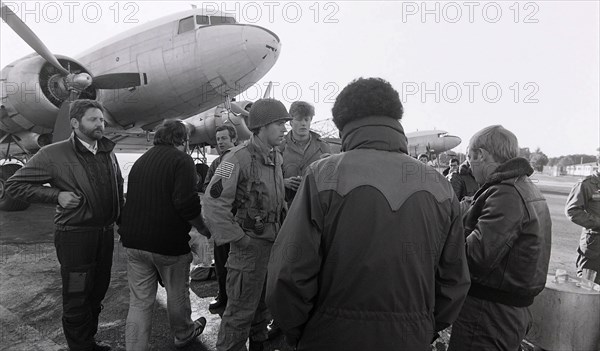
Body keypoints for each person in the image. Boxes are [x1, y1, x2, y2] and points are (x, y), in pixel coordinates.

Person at [266, 78, 471, 351]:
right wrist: (424, 328)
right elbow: (455, 279)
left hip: (327, 337)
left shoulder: (323, 175)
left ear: (343, 126)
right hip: (410, 338)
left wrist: (299, 332)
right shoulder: (440, 185)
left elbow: (288, 272)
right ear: (395, 118)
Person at [6, 99, 124, 351]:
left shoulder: (107, 151)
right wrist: (55, 196)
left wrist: (123, 224)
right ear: (75, 122)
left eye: (101, 120)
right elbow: (15, 185)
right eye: (93, 119)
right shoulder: (53, 154)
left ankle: (88, 340)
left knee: (98, 290)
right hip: (75, 236)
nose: (100, 124)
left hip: (103, 236)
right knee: (77, 294)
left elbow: (117, 190)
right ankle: (79, 347)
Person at [448, 125, 552, 351]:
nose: (469, 165)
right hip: (506, 311)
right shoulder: (524, 188)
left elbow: (475, 257)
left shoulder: (506, 193)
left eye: (469, 157)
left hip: (489, 314)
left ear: (481, 155)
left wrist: (448, 236)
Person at [203, 98, 291, 351]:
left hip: (271, 247)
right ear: (261, 127)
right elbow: (213, 204)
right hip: (248, 251)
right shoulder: (236, 158)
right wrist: (240, 239)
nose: (284, 129)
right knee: (239, 314)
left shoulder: (276, 158)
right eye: (279, 124)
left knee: (262, 310)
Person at [118, 119, 208, 350]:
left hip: (134, 242)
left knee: (139, 302)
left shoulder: (141, 161)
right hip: (168, 245)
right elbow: (186, 203)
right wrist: (202, 227)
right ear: (182, 140)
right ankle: (184, 333)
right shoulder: (182, 160)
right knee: (176, 293)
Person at [202, 124, 238, 310]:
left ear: (233, 139)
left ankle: (232, 298)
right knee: (222, 263)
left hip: (237, 221)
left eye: (224, 138)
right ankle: (224, 294)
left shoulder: (233, 159)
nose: (220, 142)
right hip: (221, 221)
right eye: (218, 140)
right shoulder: (218, 162)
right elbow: (209, 186)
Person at [280, 101, 331, 207]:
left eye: (306, 119)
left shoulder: (322, 147)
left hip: (316, 206)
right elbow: (269, 176)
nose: (303, 123)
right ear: (291, 122)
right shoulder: (280, 146)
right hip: (288, 207)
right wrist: (283, 182)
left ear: (310, 121)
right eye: (298, 119)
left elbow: (330, 178)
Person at [565, 153, 600, 284]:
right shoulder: (586, 184)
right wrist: (597, 222)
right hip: (594, 248)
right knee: (588, 288)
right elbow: (572, 211)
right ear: (598, 163)